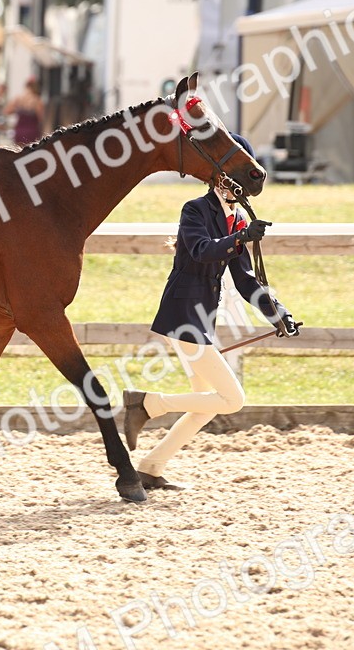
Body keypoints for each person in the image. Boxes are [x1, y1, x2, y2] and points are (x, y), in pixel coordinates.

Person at [122, 134, 300, 490]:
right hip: (183, 315)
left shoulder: (234, 220)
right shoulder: (195, 210)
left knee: (205, 405)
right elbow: (203, 250)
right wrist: (240, 238)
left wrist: (278, 313)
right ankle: (146, 403)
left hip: (201, 319)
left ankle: (151, 468)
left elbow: (246, 279)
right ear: (220, 176)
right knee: (232, 399)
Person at [7, 76, 44, 145]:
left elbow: (7, 111)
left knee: (19, 152)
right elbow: (41, 118)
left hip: (19, 130)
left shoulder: (18, 98)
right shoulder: (37, 100)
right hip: (32, 131)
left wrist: (19, 110)